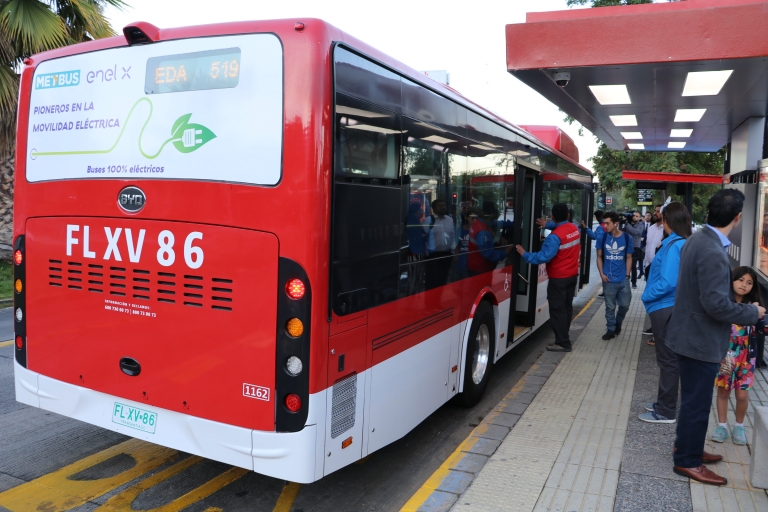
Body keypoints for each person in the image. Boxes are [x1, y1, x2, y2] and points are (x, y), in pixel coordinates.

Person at [666, 189, 766, 486]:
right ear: (737, 218)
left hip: (689, 334)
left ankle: (688, 446)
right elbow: (716, 305)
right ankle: (687, 460)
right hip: (699, 340)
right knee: (697, 404)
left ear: (708, 213)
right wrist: (754, 313)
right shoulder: (712, 250)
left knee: (694, 402)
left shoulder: (698, 238)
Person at [638, 202, 691, 424]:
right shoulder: (680, 243)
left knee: (667, 360)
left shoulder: (673, 246)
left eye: (662, 216)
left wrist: (646, 296)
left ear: (669, 220)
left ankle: (665, 410)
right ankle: (664, 403)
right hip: (670, 307)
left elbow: (668, 281)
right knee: (669, 360)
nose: (660, 218)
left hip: (663, 307)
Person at [711, 267, 766, 445]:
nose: (744, 285)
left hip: (746, 359)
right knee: (723, 391)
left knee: (742, 395)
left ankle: (739, 426)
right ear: (732, 280)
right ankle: (722, 426)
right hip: (726, 356)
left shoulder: (755, 307)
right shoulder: (724, 304)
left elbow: (762, 329)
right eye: (740, 280)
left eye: (749, 282)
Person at [516, 202, 580, 353]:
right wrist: (548, 225)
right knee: (566, 308)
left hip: (558, 279)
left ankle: (563, 342)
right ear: (568, 216)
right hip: (572, 276)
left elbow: (543, 257)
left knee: (557, 310)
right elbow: (562, 228)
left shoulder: (554, 237)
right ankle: (564, 336)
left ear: (552, 216)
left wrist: (525, 254)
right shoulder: (574, 229)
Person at [596, 212, 633, 340]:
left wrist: (627, 275)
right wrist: (602, 274)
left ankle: (618, 322)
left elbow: (629, 257)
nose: (605, 225)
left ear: (616, 224)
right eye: (604, 223)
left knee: (624, 305)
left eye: (607, 223)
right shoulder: (603, 237)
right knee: (610, 307)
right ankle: (610, 329)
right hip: (608, 279)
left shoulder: (627, 238)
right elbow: (599, 256)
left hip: (623, 279)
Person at [467, 206, 512, 275]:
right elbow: (487, 253)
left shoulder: (482, 222)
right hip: (480, 269)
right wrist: (506, 251)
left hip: (476, 265)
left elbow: (500, 223)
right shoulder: (482, 231)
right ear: (491, 214)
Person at [423, 199, 456, 289]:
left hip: (446, 254)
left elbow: (452, 235)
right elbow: (423, 238)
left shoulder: (449, 220)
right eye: (440, 206)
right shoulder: (428, 220)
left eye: (444, 205)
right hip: (433, 256)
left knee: (443, 280)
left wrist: (453, 251)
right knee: (431, 281)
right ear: (434, 208)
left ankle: (439, 300)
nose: (443, 207)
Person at [624, 211, 645, 289]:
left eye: (637, 216)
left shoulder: (640, 225)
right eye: (634, 215)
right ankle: (624, 280)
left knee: (633, 265)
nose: (635, 217)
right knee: (623, 264)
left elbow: (635, 232)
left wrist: (627, 224)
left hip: (635, 247)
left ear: (639, 218)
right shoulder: (628, 223)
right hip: (625, 246)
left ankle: (634, 282)